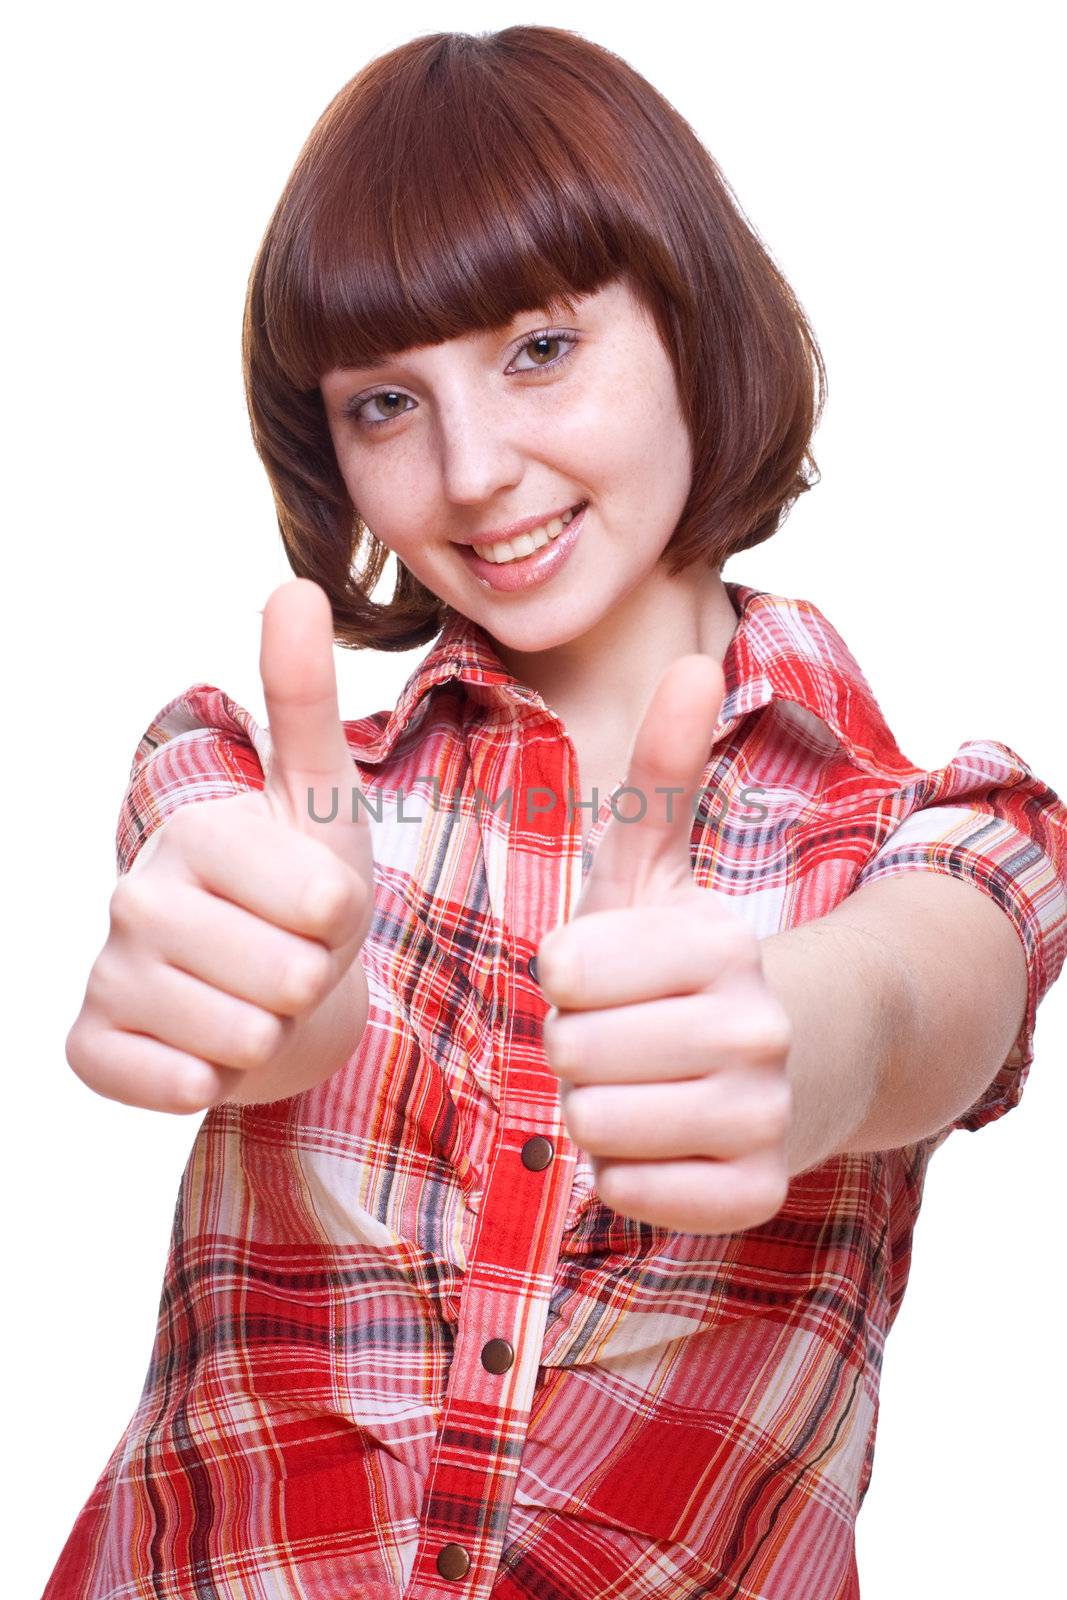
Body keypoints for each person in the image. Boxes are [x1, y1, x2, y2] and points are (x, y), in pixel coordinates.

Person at [44, 24, 1066, 1600]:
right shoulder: (265, 785)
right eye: (386, 404)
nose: (470, 472)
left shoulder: (939, 831)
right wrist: (280, 1004)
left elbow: (918, 991)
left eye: (538, 349)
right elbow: (249, 942)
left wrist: (799, 1041)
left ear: (689, 315)